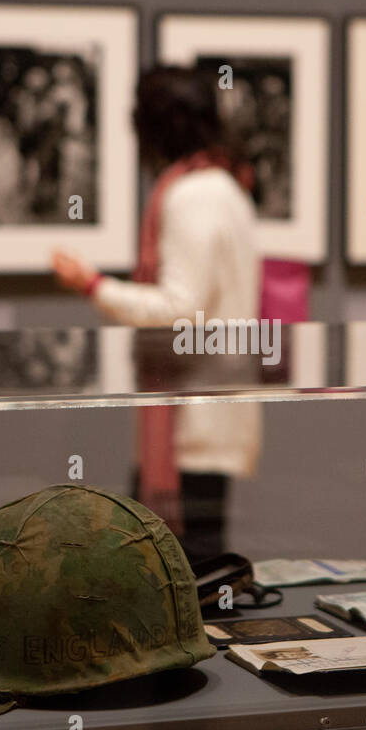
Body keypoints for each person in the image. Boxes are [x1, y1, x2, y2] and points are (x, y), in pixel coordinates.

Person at [51, 66, 261, 563]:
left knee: (181, 571)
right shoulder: (224, 186)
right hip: (209, 408)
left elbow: (178, 308)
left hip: (194, 416)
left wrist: (93, 285)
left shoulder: (192, 195)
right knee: (190, 569)